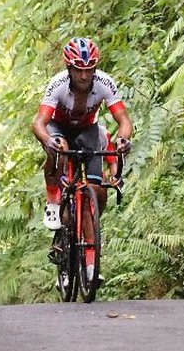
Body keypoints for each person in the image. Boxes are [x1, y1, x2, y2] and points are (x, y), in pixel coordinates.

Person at [31, 37, 132, 280]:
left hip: (88, 130)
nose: (84, 75)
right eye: (79, 69)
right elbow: (39, 122)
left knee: (93, 191)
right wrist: (47, 141)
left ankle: (89, 265)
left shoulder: (105, 83)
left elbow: (124, 121)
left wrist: (123, 139)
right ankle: (54, 202)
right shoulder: (58, 84)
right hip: (59, 128)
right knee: (58, 146)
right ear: (69, 68)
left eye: (89, 69)